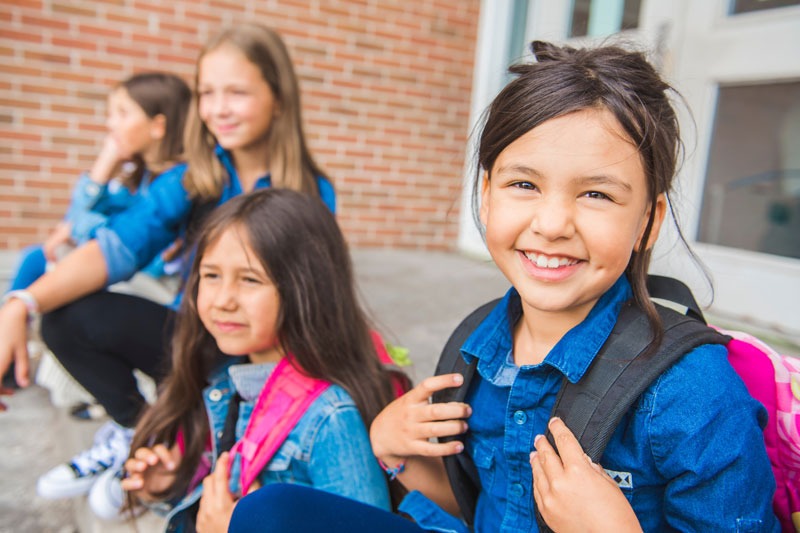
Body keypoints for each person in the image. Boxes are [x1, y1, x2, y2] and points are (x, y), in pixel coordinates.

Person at [228, 41, 779, 532]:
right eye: (524, 184)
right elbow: (479, 508)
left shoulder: (693, 392)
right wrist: (396, 453)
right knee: (269, 513)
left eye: (597, 195)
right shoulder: (477, 348)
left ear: (649, 222)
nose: (553, 222)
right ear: (487, 193)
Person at [0, 23, 336, 509]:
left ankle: (192, 442)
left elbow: (317, 298)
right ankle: (142, 432)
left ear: (279, 98)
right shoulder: (191, 178)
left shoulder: (311, 190)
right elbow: (117, 247)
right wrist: (21, 302)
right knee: (67, 319)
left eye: (236, 92)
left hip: (263, 351)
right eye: (206, 92)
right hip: (192, 336)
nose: (218, 108)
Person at [114, 189, 395, 531]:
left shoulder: (330, 419)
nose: (223, 300)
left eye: (249, 279)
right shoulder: (223, 380)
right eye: (211, 275)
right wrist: (168, 489)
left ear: (306, 288)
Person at [1, 72, 190, 392]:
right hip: (133, 277)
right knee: (39, 257)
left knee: (48, 267)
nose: (110, 124)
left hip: (158, 288)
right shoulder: (140, 178)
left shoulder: (179, 182)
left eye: (122, 113)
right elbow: (80, 221)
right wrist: (105, 166)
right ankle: (10, 352)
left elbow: (109, 240)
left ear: (158, 126)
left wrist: (80, 226)